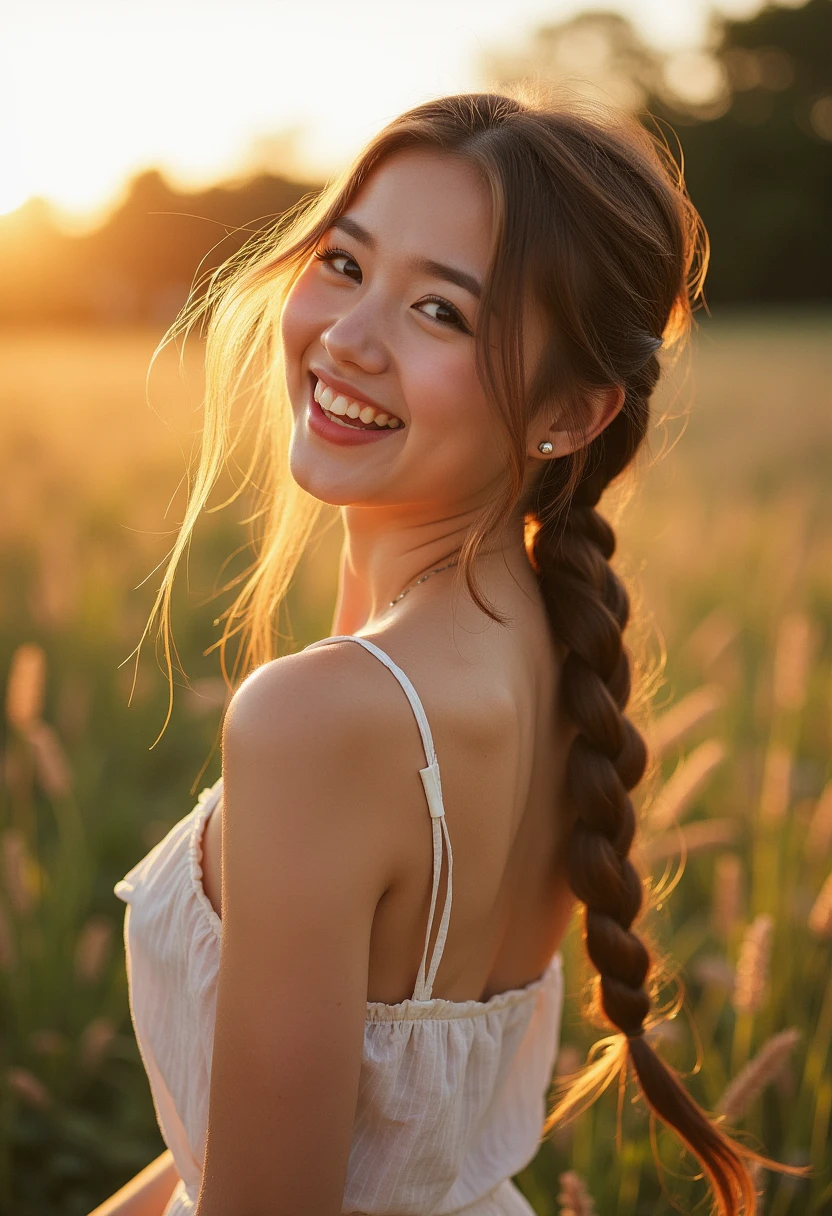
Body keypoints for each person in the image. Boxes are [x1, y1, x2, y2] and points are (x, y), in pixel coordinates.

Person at [96, 90, 785, 1216]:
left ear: (569, 411)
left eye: (441, 313)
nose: (347, 338)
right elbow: (280, 1126)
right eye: (346, 263)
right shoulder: (557, 655)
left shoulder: (325, 715)